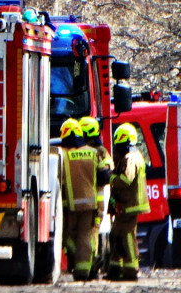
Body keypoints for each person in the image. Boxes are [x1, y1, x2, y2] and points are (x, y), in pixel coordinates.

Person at [58, 118, 100, 281]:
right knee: (85, 236)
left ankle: (76, 262)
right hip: (90, 204)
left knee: (67, 235)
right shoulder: (93, 152)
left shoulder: (63, 155)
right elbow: (103, 176)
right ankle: (83, 270)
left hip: (68, 205)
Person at [107, 123, 150, 281]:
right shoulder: (131, 156)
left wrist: (109, 178)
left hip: (130, 204)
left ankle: (131, 269)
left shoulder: (131, 158)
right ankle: (115, 268)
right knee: (117, 234)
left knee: (127, 236)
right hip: (126, 204)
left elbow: (126, 179)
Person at [78, 116, 112, 277]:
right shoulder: (92, 150)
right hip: (91, 199)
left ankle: (93, 266)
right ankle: (91, 264)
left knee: (92, 232)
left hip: (96, 201)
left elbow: (106, 174)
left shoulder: (100, 151)